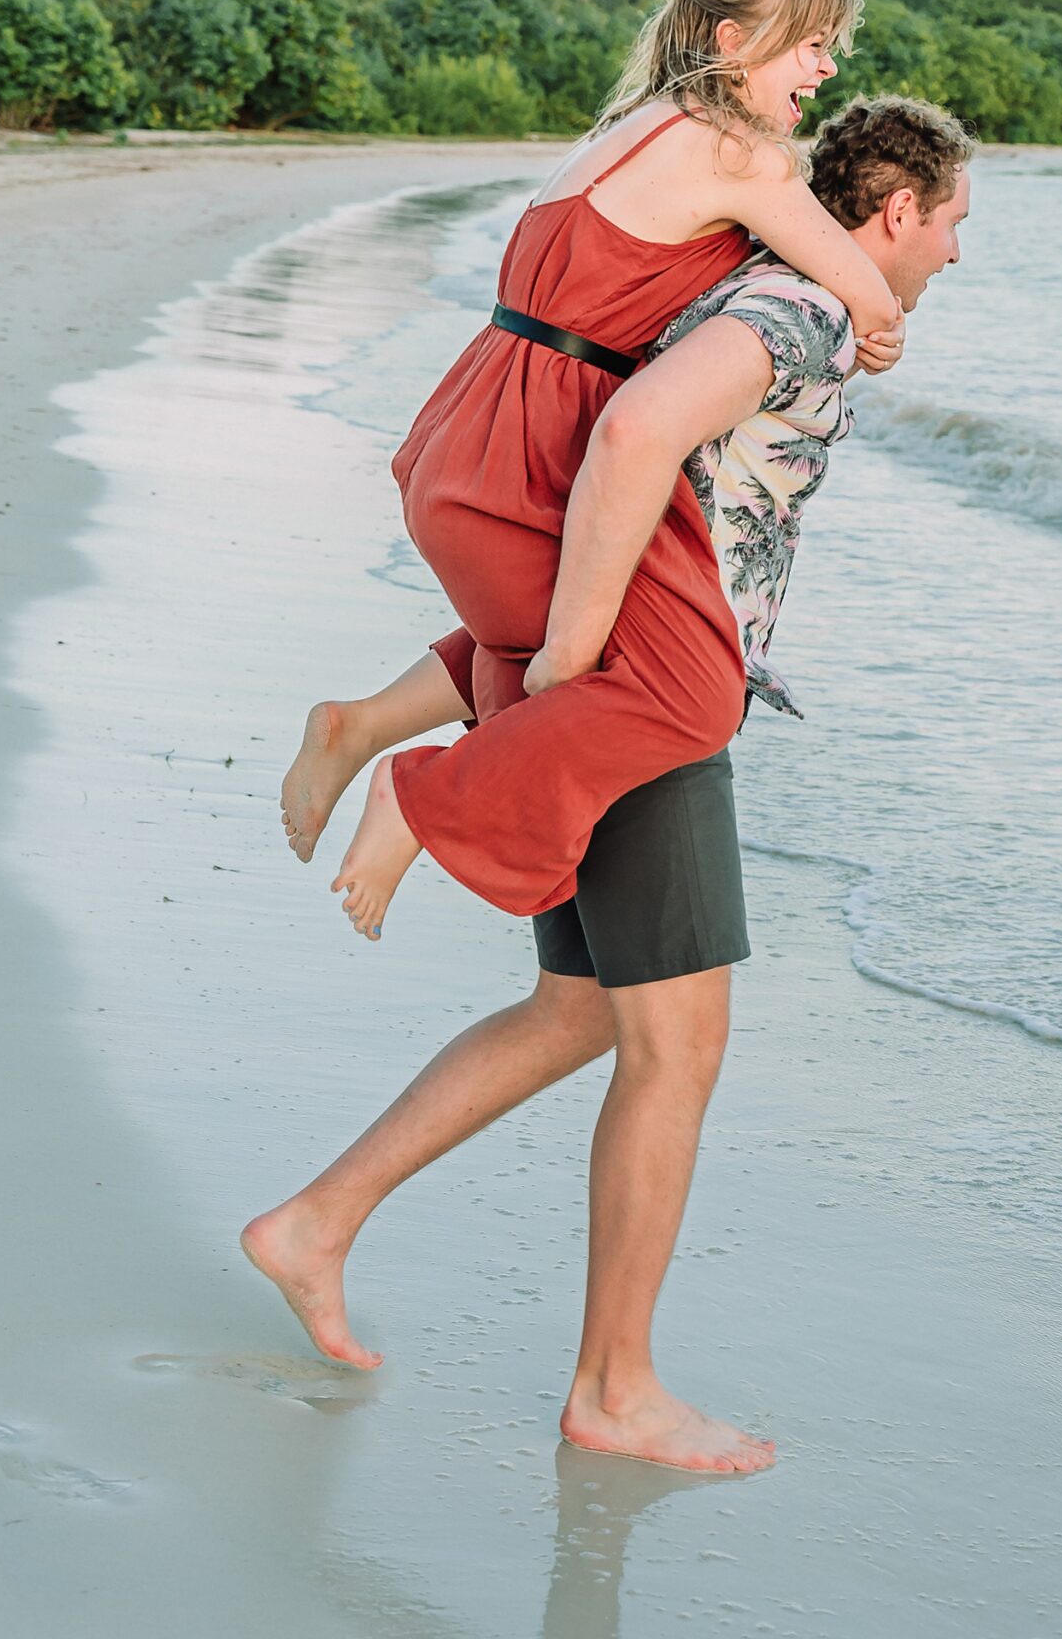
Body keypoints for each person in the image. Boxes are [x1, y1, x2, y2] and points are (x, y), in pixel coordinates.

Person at [243, 95, 974, 1474]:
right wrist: (577, 666)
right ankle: (613, 1388)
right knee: (675, 1048)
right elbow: (635, 433)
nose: (950, 255)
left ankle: (318, 1223)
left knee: (580, 1008)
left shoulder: (742, 277)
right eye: (949, 228)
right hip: (647, 695)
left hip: (616, 672)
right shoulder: (797, 312)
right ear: (893, 215)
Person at [278, 0, 904, 937]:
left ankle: (367, 736)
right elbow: (867, 295)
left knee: (535, 651)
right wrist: (877, 331)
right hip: (536, 455)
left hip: (467, 438)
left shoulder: (634, 122)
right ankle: (422, 794)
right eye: (811, 43)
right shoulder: (739, 151)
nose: (828, 67)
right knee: (687, 686)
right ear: (737, 42)